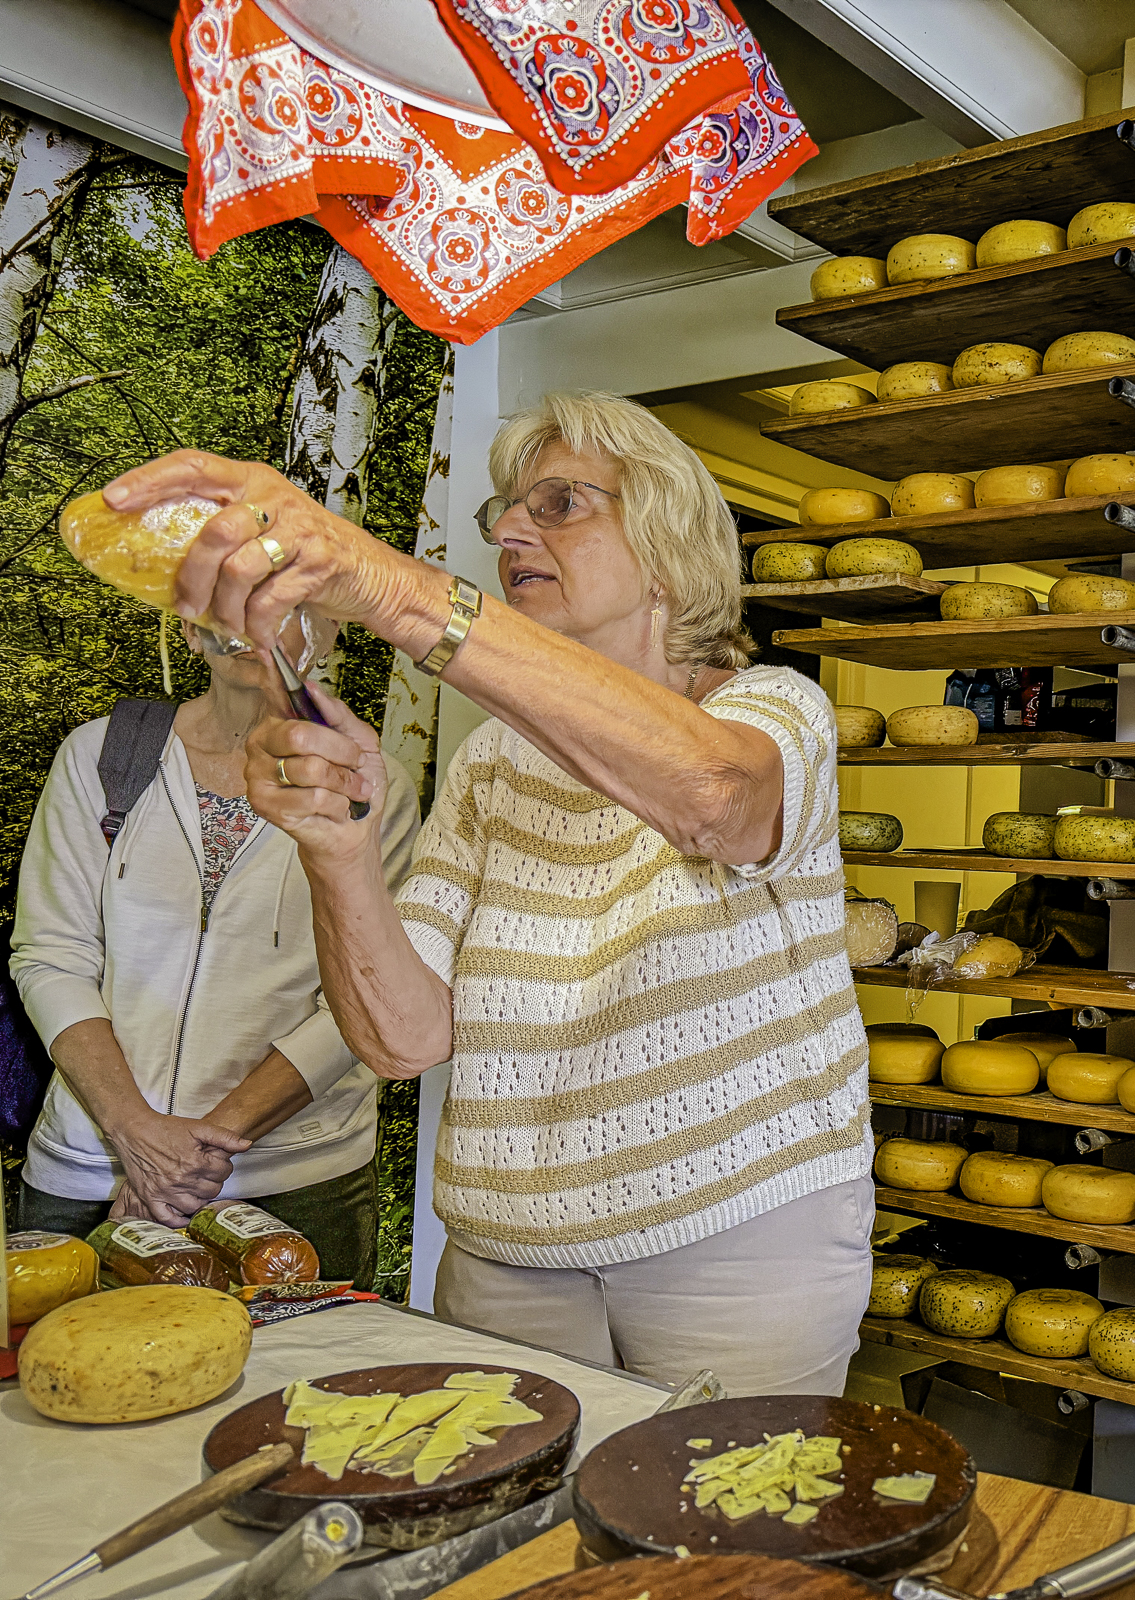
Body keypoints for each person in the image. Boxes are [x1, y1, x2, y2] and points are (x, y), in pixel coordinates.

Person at [99, 391, 873, 1393]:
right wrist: (338, 850)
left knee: (728, 1491)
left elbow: (714, 798)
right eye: (504, 510)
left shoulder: (773, 709)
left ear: (665, 545)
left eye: (558, 503)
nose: (508, 531)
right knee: (510, 1494)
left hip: (740, 1243)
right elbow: (403, 1039)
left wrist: (389, 584)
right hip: (506, 1255)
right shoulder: (491, 762)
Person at [10, 612, 419, 1287]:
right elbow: (51, 956)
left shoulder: (369, 788)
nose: (254, 622)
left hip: (296, 1183)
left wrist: (193, 1159)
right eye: (229, 598)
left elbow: (365, 996)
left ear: (326, 633)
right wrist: (136, 1134)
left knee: (296, 1364)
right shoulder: (102, 757)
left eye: (285, 604)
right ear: (190, 627)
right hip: (90, 1169)